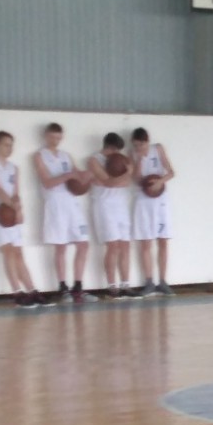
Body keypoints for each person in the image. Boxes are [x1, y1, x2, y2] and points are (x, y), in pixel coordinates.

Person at [0, 131, 51, 309]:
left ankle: (32, 290)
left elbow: (16, 193)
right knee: (9, 251)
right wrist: (12, 206)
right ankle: (17, 293)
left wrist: (19, 210)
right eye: (6, 144)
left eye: (11, 145)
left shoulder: (14, 168)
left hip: (10, 211)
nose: (9, 148)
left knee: (18, 252)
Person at [34, 122, 97, 304]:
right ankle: (63, 288)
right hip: (55, 204)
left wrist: (90, 173)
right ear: (46, 136)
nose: (56, 140)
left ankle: (78, 287)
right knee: (60, 246)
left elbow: (78, 175)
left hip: (72, 203)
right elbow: (47, 182)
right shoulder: (39, 156)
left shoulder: (66, 156)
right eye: (53, 137)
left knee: (83, 244)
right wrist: (67, 176)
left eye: (59, 138)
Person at [88, 133, 139, 300]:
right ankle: (112, 286)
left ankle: (125, 284)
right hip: (104, 206)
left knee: (125, 245)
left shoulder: (122, 160)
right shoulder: (94, 160)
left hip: (120, 205)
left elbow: (125, 183)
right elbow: (109, 182)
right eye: (115, 150)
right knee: (113, 246)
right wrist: (127, 173)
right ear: (108, 147)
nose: (117, 153)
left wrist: (121, 178)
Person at [130, 127, 176, 297]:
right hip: (143, 201)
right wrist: (139, 160)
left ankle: (163, 281)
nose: (139, 148)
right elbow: (135, 179)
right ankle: (149, 281)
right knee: (146, 242)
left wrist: (160, 181)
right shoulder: (133, 154)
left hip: (161, 200)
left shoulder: (158, 149)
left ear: (147, 142)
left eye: (141, 145)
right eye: (136, 145)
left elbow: (171, 172)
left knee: (163, 240)